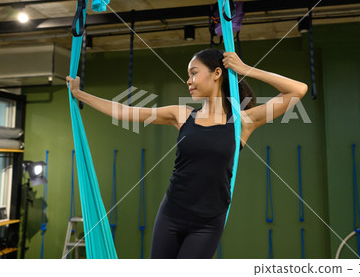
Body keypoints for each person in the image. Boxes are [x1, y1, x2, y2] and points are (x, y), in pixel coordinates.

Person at [66, 49, 307, 259]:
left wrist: (245, 69)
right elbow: (125, 112)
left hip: (208, 223)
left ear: (216, 73)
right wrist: (79, 94)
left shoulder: (243, 121)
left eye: (193, 72)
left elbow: (298, 89)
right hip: (171, 215)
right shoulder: (181, 115)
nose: (188, 80)